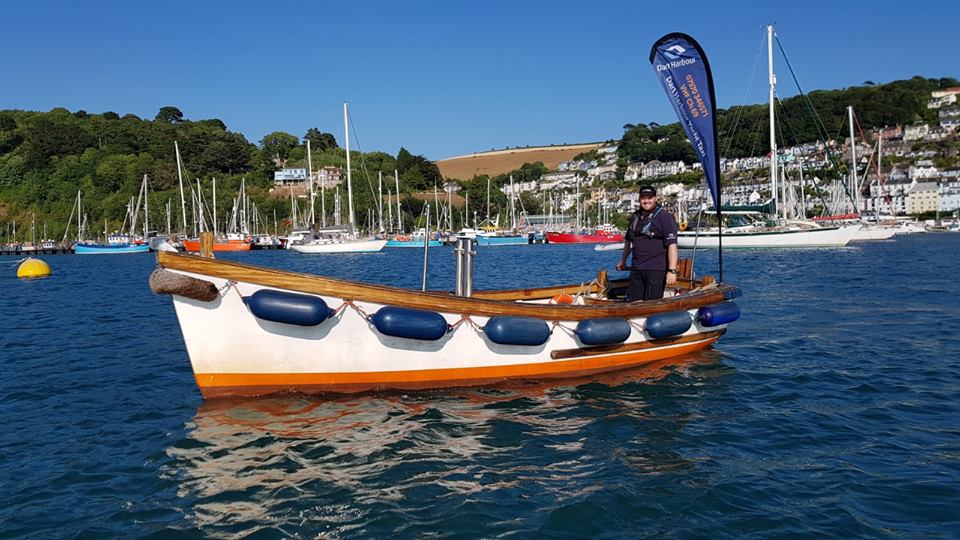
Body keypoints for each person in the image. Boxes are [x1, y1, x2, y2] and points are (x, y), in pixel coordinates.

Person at [616, 184, 679, 301]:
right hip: (637, 268)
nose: (646, 201)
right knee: (634, 303)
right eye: (643, 198)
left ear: (655, 198)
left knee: (652, 303)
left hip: (656, 269)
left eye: (649, 198)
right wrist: (623, 260)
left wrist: (672, 270)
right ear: (639, 199)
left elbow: (672, 245)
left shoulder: (664, 217)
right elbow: (629, 241)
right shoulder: (635, 216)